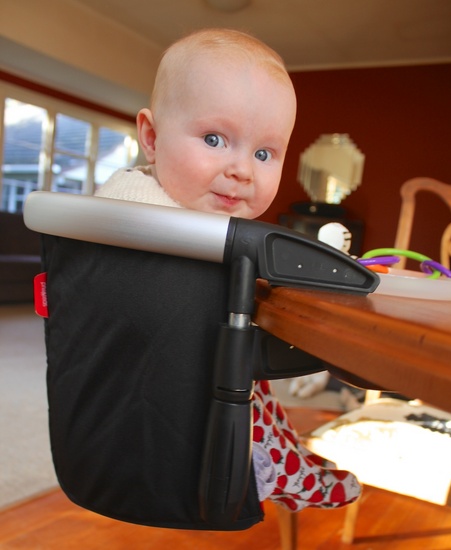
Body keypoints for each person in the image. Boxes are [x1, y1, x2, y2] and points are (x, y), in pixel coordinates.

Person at [96, 27, 360, 512]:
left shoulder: (206, 223)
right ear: (151, 138)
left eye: (263, 153)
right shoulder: (130, 206)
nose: (243, 170)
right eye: (214, 139)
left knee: (254, 378)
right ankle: (272, 464)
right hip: (153, 405)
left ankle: (287, 454)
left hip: (189, 378)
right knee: (241, 371)